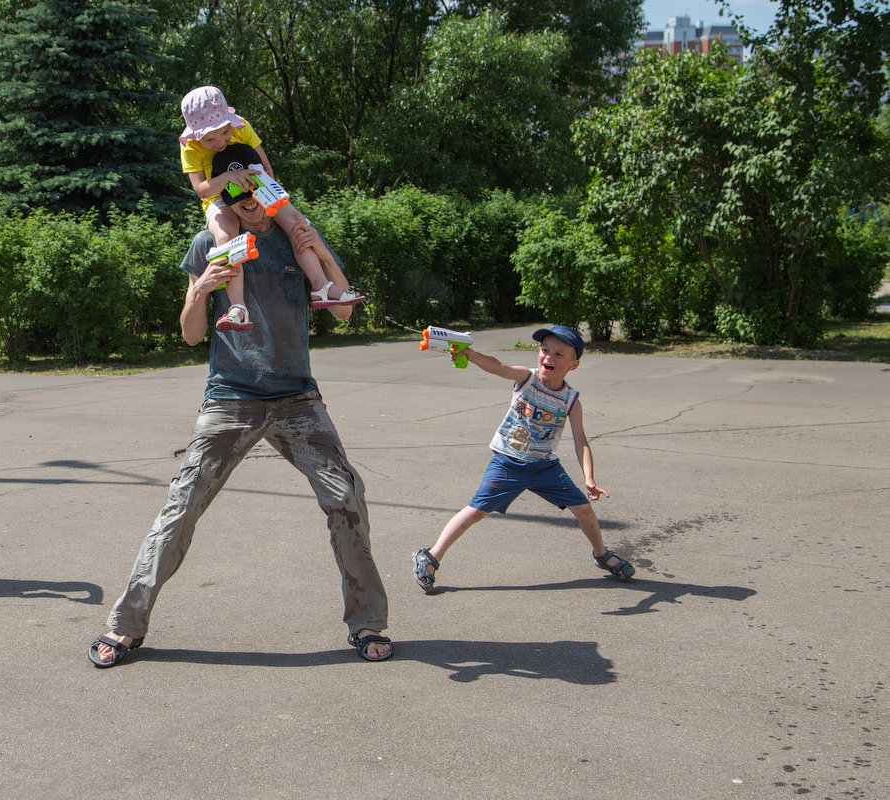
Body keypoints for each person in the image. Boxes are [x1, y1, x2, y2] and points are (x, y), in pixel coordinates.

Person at [89, 149, 391, 666]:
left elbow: (341, 309)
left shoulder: (297, 236)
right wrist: (201, 290)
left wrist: (323, 250)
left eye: (257, 188)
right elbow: (190, 335)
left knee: (347, 496)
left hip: (297, 396)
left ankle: (366, 622)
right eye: (235, 191)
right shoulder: (211, 241)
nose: (248, 201)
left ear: (271, 186)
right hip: (231, 396)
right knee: (182, 507)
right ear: (222, 194)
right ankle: (125, 625)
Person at [411, 325, 635, 594]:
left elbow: (581, 442)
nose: (548, 357)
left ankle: (601, 554)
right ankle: (430, 557)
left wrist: (589, 478)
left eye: (559, 354)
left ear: (573, 365)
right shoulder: (526, 378)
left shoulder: (571, 400)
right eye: (545, 350)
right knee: (476, 511)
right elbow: (497, 366)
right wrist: (469, 354)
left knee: (584, 509)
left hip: (545, 467)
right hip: (507, 462)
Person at [178, 85, 363, 333]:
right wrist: (232, 177)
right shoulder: (190, 146)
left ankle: (321, 286)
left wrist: (267, 194)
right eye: (209, 139)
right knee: (226, 239)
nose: (220, 142)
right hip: (218, 198)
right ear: (195, 134)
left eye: (224, 133)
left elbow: (266, 168)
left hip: (258, 183)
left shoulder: (241, 127)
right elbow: (202, 189)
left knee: (298, 223)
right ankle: (238, 307)